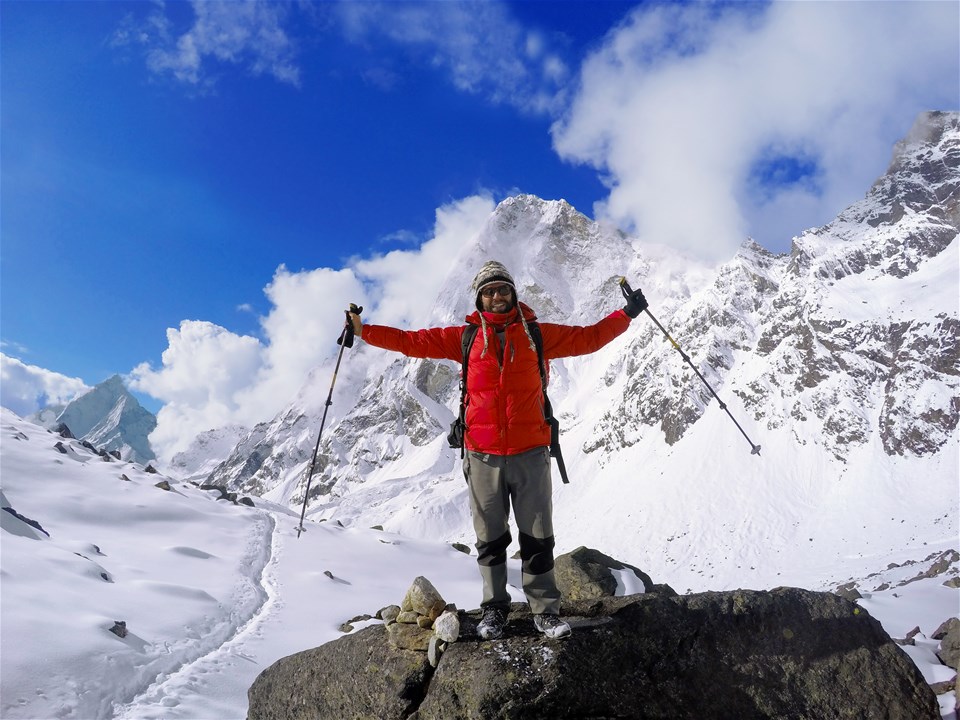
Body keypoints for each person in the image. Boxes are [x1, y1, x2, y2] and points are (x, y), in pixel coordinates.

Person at [349, 260, 647, 639]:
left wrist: (627, 314)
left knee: (538, 536)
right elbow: (413, 342)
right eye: (489, 291)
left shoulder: (537, 335)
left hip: (530, 451)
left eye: (502, 289)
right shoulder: (465, 338)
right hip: (482, 453)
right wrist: (364, 331)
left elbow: (588, 338)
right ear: (479, 298)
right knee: (490, 538)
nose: (497, 295)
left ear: (513, 293)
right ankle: (494, 610)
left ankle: (545, 612)